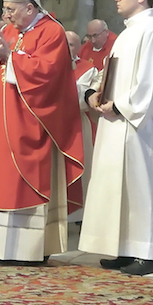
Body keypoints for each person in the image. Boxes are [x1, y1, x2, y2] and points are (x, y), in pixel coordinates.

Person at [0, 0, 84, 263]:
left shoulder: (52, 32)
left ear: (30, 8)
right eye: (5, 9)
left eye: (11, 9)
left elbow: (49, 74)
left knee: (24, 183)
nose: (6, 15)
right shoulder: (8, 29)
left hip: (31, 124)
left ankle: (27, 251)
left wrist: (10, 57)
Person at [78, 0, 153, 275]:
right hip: (117, 119)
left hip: (140, 125)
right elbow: (114, 75)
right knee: (119, 187)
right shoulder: (129, 32)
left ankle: (149, 252)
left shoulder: (152, 30)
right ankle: (123, 247)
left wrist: (121, 106)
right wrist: (97, 95)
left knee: (142, 186)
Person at [66, 29, 98, 222]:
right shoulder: (50, 64)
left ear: (79, 47)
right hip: (54, 126)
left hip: (77, 124)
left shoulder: (88, 68)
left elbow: (81, 97)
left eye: (70, 44)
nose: (66, 47)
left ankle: (79, 216)